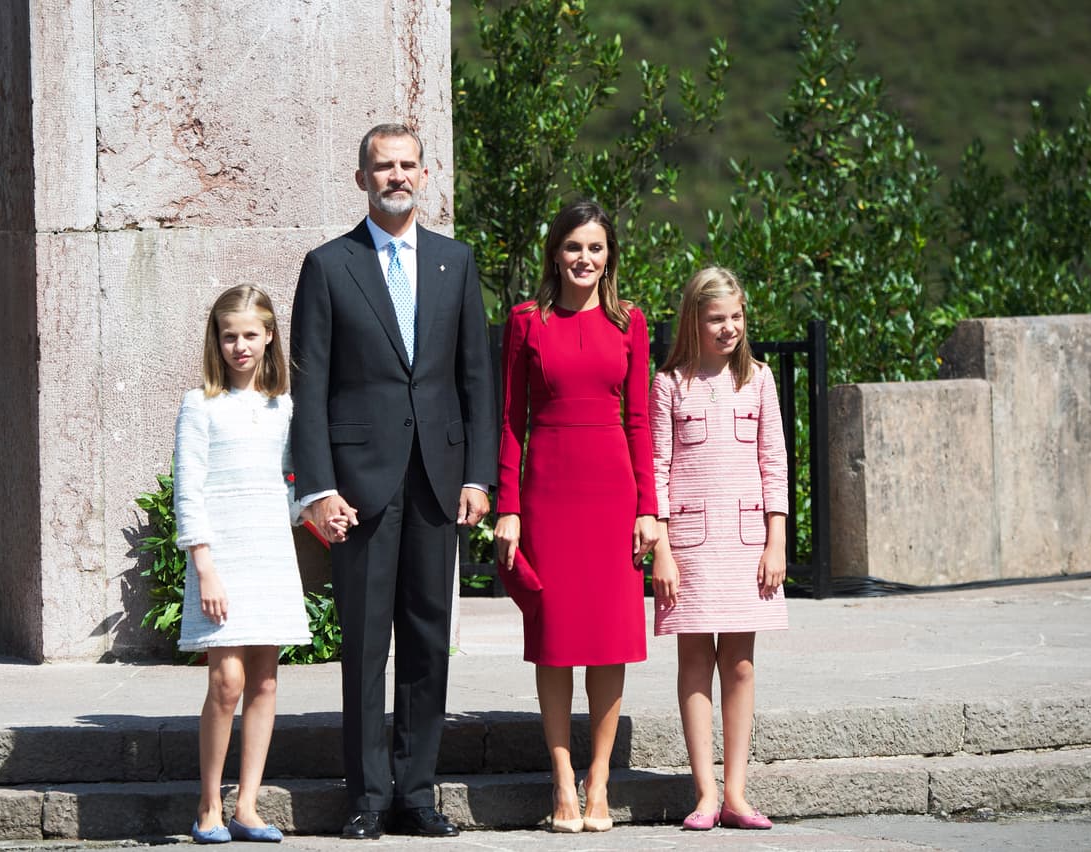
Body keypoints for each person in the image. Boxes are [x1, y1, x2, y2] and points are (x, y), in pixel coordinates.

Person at [289, 123, 497, 840]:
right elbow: (309, 387)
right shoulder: (328, 266)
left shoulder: (455, 262)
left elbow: (477, 378)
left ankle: (417, 791)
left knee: (428, 639)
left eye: (408, 165)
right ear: (361, 177)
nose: (396, 176)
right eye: (383, 166)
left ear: (425, 173)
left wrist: (479, 475)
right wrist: (316, 488)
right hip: (359, 489)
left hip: (439, 483)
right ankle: (369, 797)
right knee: (366, 645)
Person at [492, 200, 659, 833]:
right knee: (556, 640)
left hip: (612, 491)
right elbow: (510, 421)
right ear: (555, 255)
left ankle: (599, 783)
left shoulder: (631, 323)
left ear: (608, 254)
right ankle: (561, 781)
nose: (584, 258)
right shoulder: (526, 322)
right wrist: (507, 507)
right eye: (572, 247)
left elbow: (640, 420)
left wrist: (650, 509)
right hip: (548, 492)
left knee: (609, 641)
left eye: (594, 247)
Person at [174, 285, 339, 844]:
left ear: (269, 336)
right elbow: (188, 491)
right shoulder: (199, 405)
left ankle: (247, 806)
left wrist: (322, 515)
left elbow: (293, 489)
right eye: (229, 336)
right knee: (227, 680)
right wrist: (205, 567)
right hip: (222, 557)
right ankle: (207, 806)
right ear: (215, 341)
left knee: (264, 680)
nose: (239, 346)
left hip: (269, 552)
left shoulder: (284, 408)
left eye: (249, 334)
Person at [648, 266, 789, 832]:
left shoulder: (759, 379)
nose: (728, 328)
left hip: (747, 543)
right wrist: (661, 547)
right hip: (688, 546)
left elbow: (774, 463)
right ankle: (705, 793)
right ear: (694, 321)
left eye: (736, 317)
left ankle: (736, 793)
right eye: (716, 319)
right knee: (693, 662)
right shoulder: (670, 384)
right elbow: (656, 470)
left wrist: (776, 541)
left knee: (740, 663)